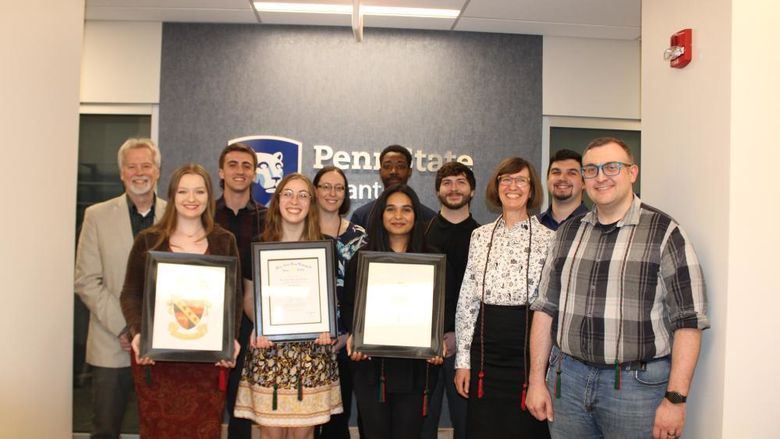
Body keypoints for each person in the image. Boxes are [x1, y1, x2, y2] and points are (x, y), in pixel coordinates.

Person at [526, 137, 710, 439]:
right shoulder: (567, 234)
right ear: (584, 179)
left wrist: (676, 399)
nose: (601, 177)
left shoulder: (665, 233)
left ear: (632, 172)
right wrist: (536, 380)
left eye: (612, 167)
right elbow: (545, 308)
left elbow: (689, 320)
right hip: (567, 382)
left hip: (636, 389)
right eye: (591, 170)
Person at [120, 163, 242, 438]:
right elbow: (130, 293)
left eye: (199, 192)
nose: (191, 199)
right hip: (157, 363)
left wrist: (229, 339)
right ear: (172, 195)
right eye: (184, 191)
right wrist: (138, 332)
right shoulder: (148, 240)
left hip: (207, 365)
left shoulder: (224, 241)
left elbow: (232, 300)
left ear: (208, 197)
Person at [235, 173, 343, 439]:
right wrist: (259, 325)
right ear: (277, 199)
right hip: (268, 350)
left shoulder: (326, 246)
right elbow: (248, 297)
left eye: (303, 195)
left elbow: (329, 298)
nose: (295, 201)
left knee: (303, 435)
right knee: (271, 434)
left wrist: (325, 327)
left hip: (312, 354)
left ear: (312, 203)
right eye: (288, 194)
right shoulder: (258, 245)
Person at [454, 157, 554, 439]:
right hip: (485, 352)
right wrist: (462, 360)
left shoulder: (550, 239)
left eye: (521, 180)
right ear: (496, 187)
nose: (513, 186)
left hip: (529, 350)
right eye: (505, 180)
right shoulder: (479, 236)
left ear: (531, 189)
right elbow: (467, 301)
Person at [74, 138, 166, 439]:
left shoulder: (176, 214)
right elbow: (86, 280)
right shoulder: (96, 216)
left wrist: (148, 332)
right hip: (112, 342)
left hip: (161, 345)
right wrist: (127, 328)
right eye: (132, 166)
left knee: (158, 426)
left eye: (146, 165)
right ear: (122, 173)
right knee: (105, 429)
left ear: (157, 171)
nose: (139, 172)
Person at [342, 184, 444, 439]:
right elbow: (349, 308)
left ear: (416, 216)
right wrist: (356, 336)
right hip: (371, 370)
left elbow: (444, 309)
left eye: (406, 210)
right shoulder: (362, 259)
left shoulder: (433, 260)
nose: (398, 216)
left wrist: (438, 341)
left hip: (417, 371)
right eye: (391, 209)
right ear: (381, 215)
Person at [421, 162, 479, 439]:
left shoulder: (485, 238)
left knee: (468, 425)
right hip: (422, 348)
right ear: (437, 190)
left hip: (468, 348)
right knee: (421, 425)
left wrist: (459, 336)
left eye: (461, 182)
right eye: (447, 182)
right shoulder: (420, 235)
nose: (454, 188)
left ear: (473, 191)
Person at [214, 142, 268, 439]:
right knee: (206, 401)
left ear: (255, 173)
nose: (240, 171)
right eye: (233, 164)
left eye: (247, 166)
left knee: (242, 406)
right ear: (221, 171)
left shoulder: (268, 218)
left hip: (249, 321)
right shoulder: (203, 213)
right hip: (207, 319)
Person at [312, 166, 367, 439]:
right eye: (326, 186)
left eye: (339, 188)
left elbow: (365, 292)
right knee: (306, 416)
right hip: (306, 340)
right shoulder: (302, 231)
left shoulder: (359, 236)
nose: (332, 193)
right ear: (315, 190)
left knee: (338, 416)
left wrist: (347, 333)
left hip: (345, 340)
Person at [349, 144, 436, 229]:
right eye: (387, 166)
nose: (393, 171)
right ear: (380, 172)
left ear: (409, 171)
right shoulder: (361, 217)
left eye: (400, 166)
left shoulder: (429, 218)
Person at [537, 149, 588, 231]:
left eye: (571, 173)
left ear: (584, 183)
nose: (562, 178)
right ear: (547, 179)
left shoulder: (595, 226)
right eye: (556, 172)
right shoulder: (532, 227)